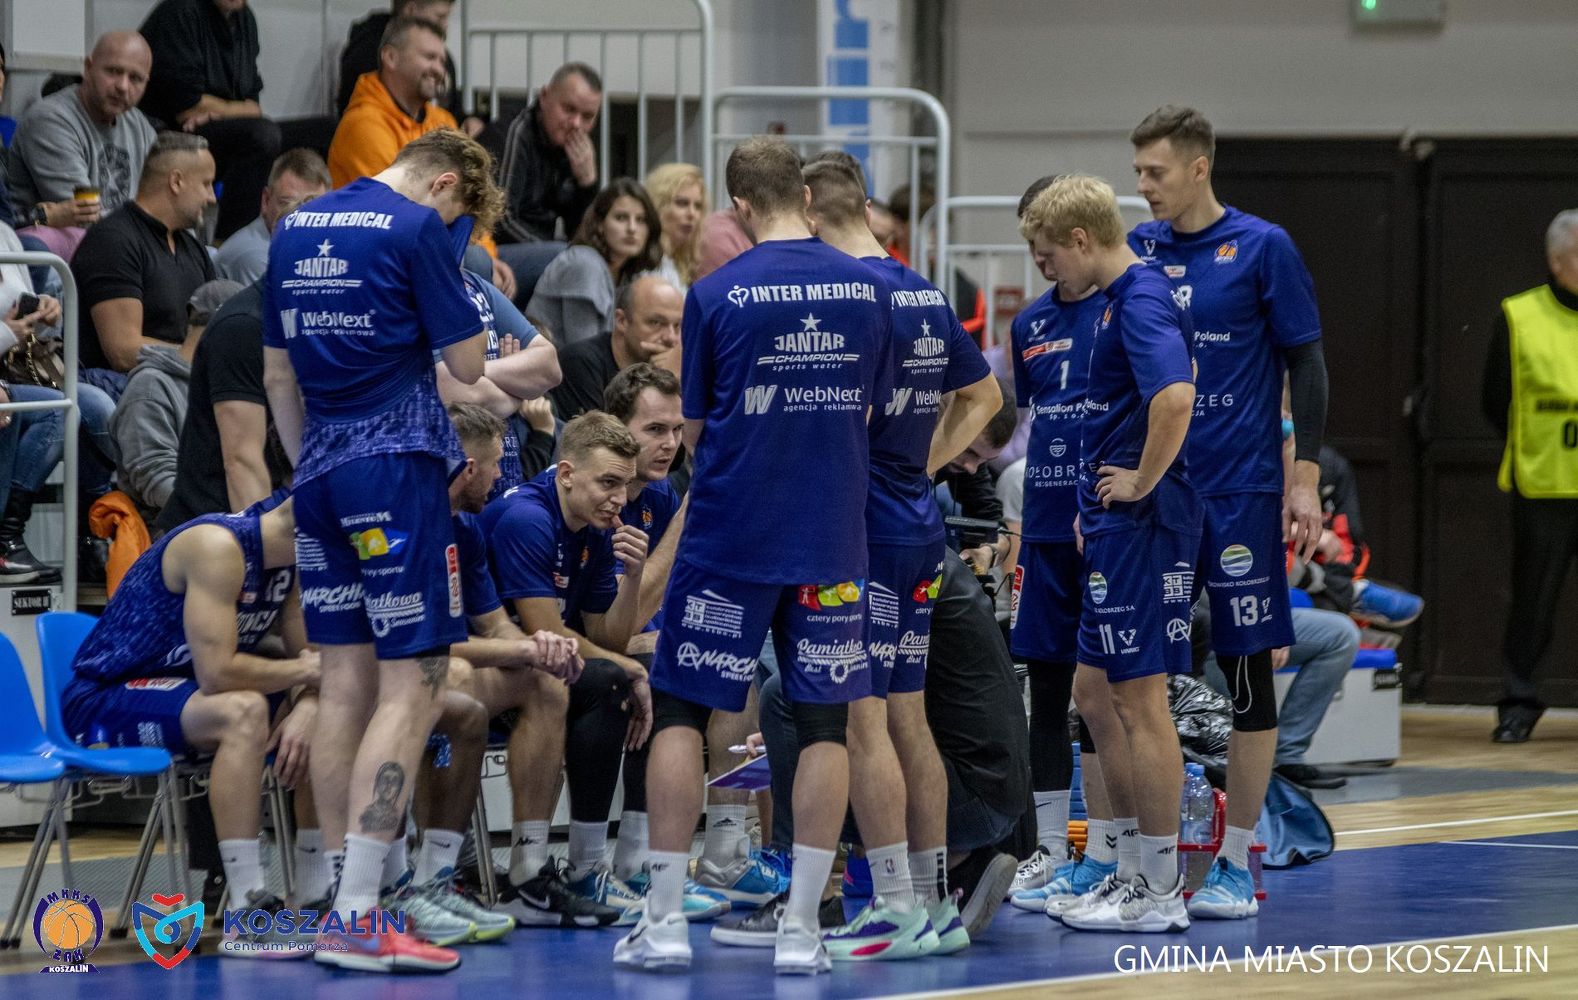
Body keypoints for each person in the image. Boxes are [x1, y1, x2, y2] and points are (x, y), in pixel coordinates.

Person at [613, 136, 895, 977]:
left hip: (732, 533)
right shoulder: (868, 287)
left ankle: (665, 921)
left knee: (681, 713)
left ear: (738, 207)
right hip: (831, 536)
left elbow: (695, 428)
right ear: (805, 198)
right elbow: (870, 412)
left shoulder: (714, 292)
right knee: (824, 723)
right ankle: (803, 929)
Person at [262, 127, 503, 973]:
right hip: (394, 471)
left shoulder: (296, 225)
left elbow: (278, 376)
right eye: (462, 215)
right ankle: (361, 914)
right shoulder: (417, 227)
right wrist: (454, 259)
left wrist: (312, 468)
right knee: (415, 684)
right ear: (444, 184)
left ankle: (345, 899)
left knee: (344, 687)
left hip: (319, 473)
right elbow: (468, 365)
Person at [1128, 105, 1328, 920]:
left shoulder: (1262, 246)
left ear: (1199, 167)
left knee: (1248, 675)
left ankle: (1237, 860)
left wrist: (1303, 479)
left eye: (1156, 172)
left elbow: (1307, 365)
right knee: (1136, 679)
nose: (1144, 187)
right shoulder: (1137, 251)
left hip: (1240, 492)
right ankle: (1140, 860)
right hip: (1155, 493)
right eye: (1138, 172)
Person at [799, 154, 999, 960]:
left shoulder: (848, 295)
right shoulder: (921, 289)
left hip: (867, 532)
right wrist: (923, 463)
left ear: (808, 208)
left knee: (863, 717)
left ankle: (892, 908)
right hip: (916, 524)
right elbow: (985, 396)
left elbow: (835, 416)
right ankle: (933, 905)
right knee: (907, 715)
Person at [1018, 174, 1199, 934]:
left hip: (1144, 524)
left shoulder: (1141, 296)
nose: (1046, 268)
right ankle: (1127, 868)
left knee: (1139, 701)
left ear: (1081, 238)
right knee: (1092, 692)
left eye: (1049, 252)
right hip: (1110, 523)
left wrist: (1139, 482)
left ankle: (1159, 887)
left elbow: (1176, 397)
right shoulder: (1118, 299)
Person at [59, 494, 317, 954]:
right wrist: (304, 676)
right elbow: (219, 674)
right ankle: (247, 910)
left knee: (330, 713)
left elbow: (308, 660)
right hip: (102, 699)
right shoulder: (217, 546)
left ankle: (319, 896)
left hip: (185, 692)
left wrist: (309, 705)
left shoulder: (291, 561)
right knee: (243, 710)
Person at [738, 550, 1029, 947]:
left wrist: (808, 739)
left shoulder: (869, 565)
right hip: (993, 786)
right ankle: (946, 876)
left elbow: (865, 711)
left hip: (970, 796)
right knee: (851, 715)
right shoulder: (922, 551)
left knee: (787, 702)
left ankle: (813, 899)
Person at [997, 175, 1119, 915]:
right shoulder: (1031, 324)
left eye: (1047, 251)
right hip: (1044, 525)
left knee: (1103, 694)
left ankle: (1107, 849)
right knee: (1045, 689)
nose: (1041, 265)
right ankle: (1050, 848)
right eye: (1032, 253)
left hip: (1105, 524)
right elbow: (1030, 414)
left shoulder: (1125, 307)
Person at [479, 412, 653, 924]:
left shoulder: (595, 529)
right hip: (492, 661)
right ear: (567, 473)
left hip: (542, 665)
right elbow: (544, 630)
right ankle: (550, 869)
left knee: (643, 675)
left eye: (625, 486)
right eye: (607, 483)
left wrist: (634, 577)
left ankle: (604, 866)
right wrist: (629, 668)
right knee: (612, 678)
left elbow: (606, 636)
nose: (618, 499)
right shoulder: (527, 518)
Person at [327, 16, 515, 298]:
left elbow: (472, 199)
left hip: (446, 246)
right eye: (429, 57)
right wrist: (481, 257)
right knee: (476, 262)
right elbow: (399, 213)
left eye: (442, 60)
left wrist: (490, 254)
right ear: (391, 57)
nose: (439, 69)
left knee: (555, 257)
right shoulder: (363, 125)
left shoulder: (443, 121)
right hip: (381, 260)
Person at [1481, 208, 1578, 743]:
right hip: (1543, 485)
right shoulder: (1519, 315)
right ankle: (1519, 704)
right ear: (1556, 261)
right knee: (1533, 606)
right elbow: (1495, 399)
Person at [72, 131, 216, 397]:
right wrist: (197, 355)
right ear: (176, 181)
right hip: (125, 390)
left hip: (182, 383)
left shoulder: (193, 248)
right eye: (206, 184)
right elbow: (123, 351)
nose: (212, 198)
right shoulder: (113, 240)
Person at [136, 0, 280, 240]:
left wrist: (221, 110)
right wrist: (235, 109)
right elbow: (187, 106)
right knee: (262, 136)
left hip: (222, 129)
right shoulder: (180, 11)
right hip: (173, 134)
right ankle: (230, 244)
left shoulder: (245, 19)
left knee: (322, 131)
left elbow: (254, 105)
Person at [7, 31, 157, 258]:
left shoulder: (140, 125)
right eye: (113, 71)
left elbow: (165, 202)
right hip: (63, 249)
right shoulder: (50, 119)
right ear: (88, 68)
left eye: (135, 78)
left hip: (123, 245)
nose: (123, 86)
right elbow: (86, 217)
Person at [158, 281, 290, 531]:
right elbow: (242, 461)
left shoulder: (317, 321)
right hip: (216, 528)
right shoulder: (243, 326)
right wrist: (268, 546)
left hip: (284, 514)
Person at [112, 279, 243, 528]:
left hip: (220, 521)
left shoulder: (225, 382)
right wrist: (228, 517)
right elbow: (156, 478)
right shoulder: (151, 386)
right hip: (172, 531)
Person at [1198, 603, 1360, 790]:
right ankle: (1231, 765)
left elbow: (1273, 587)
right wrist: (1260, 630)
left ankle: (1287, 757)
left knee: (1340, 633)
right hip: (1213, 622)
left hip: (1256, 613)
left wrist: (1276, 627)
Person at [438, 268, 562, 500]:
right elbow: (467, 393)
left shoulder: (474, 284)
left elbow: (551, 368)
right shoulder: (424, 290)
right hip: (456, 479)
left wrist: (472, 369)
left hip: (505, 478)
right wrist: (517, 388)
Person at [491, 63, 604, 302]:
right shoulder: (515, 133)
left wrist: (587, 185)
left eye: (587, 117)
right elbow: (499, 219)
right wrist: (560, 251)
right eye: (569, 109)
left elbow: (582, 232)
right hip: (492, 252)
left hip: (542, 248)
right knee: (578, 262)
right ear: (544, 97)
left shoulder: (573, 148)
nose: (576, 124)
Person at [527, 179, 663, 346]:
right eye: (621, 218)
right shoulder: (584, 264)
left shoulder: (626, 274)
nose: (632, 228)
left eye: (641, 220)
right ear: (600, 224)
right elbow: (584, 351)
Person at [548, 274, 683, 421]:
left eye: (677, 326)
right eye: (656, 323)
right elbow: (597, 435)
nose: (671, 337)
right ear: (621, 320)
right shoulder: (579, 362)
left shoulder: (679, 368)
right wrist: (664, 382)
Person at [338, 0, 480, 135]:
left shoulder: (438, 118)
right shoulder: (366, 54)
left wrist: (467, 120)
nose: (446, 25)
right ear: (391, 58)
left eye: (440, 60)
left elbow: (451, 113)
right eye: (440, 17)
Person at [215, 149, 331, 284]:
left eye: (313, 207)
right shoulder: (254, 257)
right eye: (287, 204)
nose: (301, 218)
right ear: (266, 200)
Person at [644, 163, 706, 292]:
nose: (692, 214)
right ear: (658, 206)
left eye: (698, 206)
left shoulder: (676, 263)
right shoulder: (645, 263)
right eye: (682, 203)